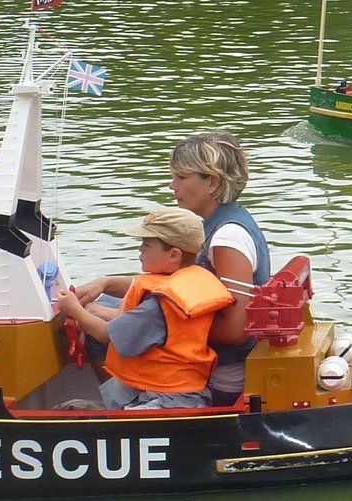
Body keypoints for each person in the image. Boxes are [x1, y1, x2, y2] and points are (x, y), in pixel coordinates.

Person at [56, 208, 233, 409]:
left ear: (174, 255)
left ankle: (109, 413)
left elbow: (106, 335)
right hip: (185, 391)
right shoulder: (190, 280)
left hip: (172, 402)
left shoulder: (159, 304)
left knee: (91, 416)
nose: (139, 249)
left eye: (146, 245)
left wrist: (73, 309)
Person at [170, 132, 273, 403]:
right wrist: (108, 284)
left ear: (212, 183)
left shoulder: (227, 237)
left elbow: (236, 329)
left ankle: (117, 411)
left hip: (224, 377)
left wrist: (162, 329)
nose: (172, 185)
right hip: (217, 363)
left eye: (181, 177)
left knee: (102, 337)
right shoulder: (224, 221)